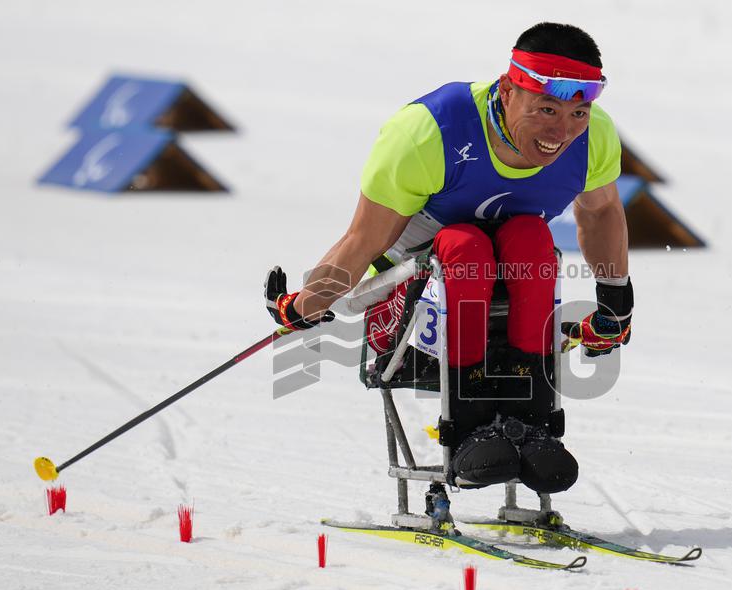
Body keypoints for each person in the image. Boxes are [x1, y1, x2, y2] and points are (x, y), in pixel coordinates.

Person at [265, 22, 632, 495]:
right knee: (465, 246)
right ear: (507, 90)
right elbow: (363, 240)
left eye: (579, 113)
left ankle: (531, 422)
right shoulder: (428, 132)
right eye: (546, 109)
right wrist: (303, 305)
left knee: (530, 238)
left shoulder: (592, 138)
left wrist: (615, 303)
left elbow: (601, 213)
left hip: (505, 298)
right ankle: (469, 425)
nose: (561, 132)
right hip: (410, 307)